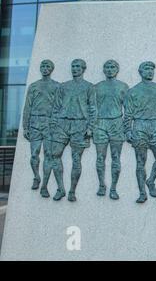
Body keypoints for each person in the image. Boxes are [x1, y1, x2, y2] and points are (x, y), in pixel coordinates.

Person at [49, 59, 94, 202]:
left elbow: (93, 108)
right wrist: (53, 124)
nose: (75, 69)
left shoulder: (89, 87)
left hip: (80, 125)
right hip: (62, 124)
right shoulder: (63, 86)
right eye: (73, 66)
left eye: (78, 67)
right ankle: (60, 188)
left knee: (76, 159)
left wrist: (90, 127)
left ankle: (72, 191)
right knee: (55, 154)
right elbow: (55, 107)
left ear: (83, 69)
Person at [123, 61, 156, 203]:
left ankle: (151, 180)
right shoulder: (133, 91)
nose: (150, 72)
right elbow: (128, 113)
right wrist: (128, 130)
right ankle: (142, 193)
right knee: (140, 162)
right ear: (140, 72)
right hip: (140, 125)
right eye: (146, 69)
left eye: (152, 69)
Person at [91, 60, 129, 200]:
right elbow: (92, 108)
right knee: (100, 157)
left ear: (117, 69)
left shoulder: (123, 86)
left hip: (116, 123)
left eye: (112, 67)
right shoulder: (96, 87)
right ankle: (102, 185)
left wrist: (126, 127)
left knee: (115, 157)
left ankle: (113, 188)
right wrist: (91, 126)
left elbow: (128, 109)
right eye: (107, 67)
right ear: (103, 69)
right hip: (100, 123)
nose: (109, 69)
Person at [22, 59, 59, 194]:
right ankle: (36, 177)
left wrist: (56, 124)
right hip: (35, 123)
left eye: (47, 66)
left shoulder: (57, 86)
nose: (45, 68)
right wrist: (25, 126)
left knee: (49, 154)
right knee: (34, 154)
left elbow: (59, 107)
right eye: (42, 66)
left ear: (51, 69)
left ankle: (45, 185)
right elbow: (27, 107)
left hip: (49, 124)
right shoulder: (33, 86)